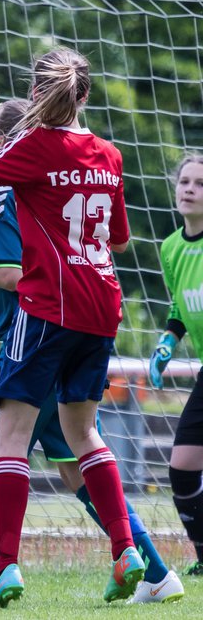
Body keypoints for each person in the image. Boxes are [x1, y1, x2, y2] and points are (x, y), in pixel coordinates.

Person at [0, 98, 181, 605]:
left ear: (4, 143)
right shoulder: (96, 156)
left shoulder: (16, 171)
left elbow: (13, 271)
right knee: (77, 461)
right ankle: (153, 571)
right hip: (94, 318)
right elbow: (111, 238)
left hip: (31, 339)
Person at [149, 153, 203, 579]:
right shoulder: (170, 247)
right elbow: (179, 305)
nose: (189, 189)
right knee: (182, 466)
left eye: (200, 184)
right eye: (185, 181)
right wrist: (168, 341)